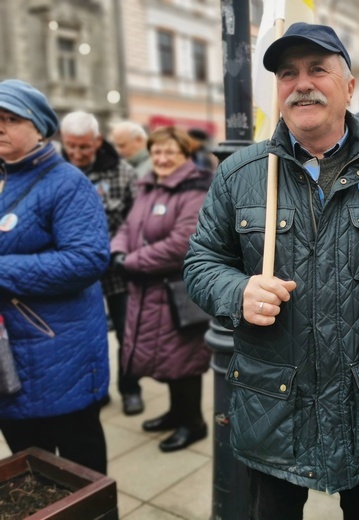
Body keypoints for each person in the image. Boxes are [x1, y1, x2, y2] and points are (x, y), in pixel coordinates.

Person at [183, 22, 359, 520]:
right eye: (288, 73)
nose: (302, 83)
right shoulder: (240, 173)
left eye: (318, 69)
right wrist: (237, 291)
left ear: (349, 86)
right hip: (273, 404)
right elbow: (201, 262)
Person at [0, 80, 110, 473]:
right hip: (9, 354)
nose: (0, 126)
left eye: (11, 118)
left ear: (40, 127)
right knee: (29, 472)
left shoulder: (67, 183)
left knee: (81, 472)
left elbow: (87, 259)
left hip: (60, 355)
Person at [110, 126, 213, 453]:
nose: (162, 158)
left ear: (184, 155)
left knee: (183, 361)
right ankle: (176, 413)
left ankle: (193, 423)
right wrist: (117, 250)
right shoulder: (148, 186)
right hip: (147, 290)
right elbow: (128, 225)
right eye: (157, 152)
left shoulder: (194, 189)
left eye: (170, 152)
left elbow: (181, 244)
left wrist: (131, 261)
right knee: (166, 359)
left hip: (176, 292)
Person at [60, 111, 143, 416]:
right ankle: (94, 389)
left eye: (84, 146)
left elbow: (137, 219)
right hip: (74, 271)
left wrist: (121, 250)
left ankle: (130, 388)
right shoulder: (56, 169)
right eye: (72, 146)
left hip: (116, 268)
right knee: (84, 334)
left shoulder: (122, 172)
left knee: (126, 332)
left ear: (97, 141)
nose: (78, 153)